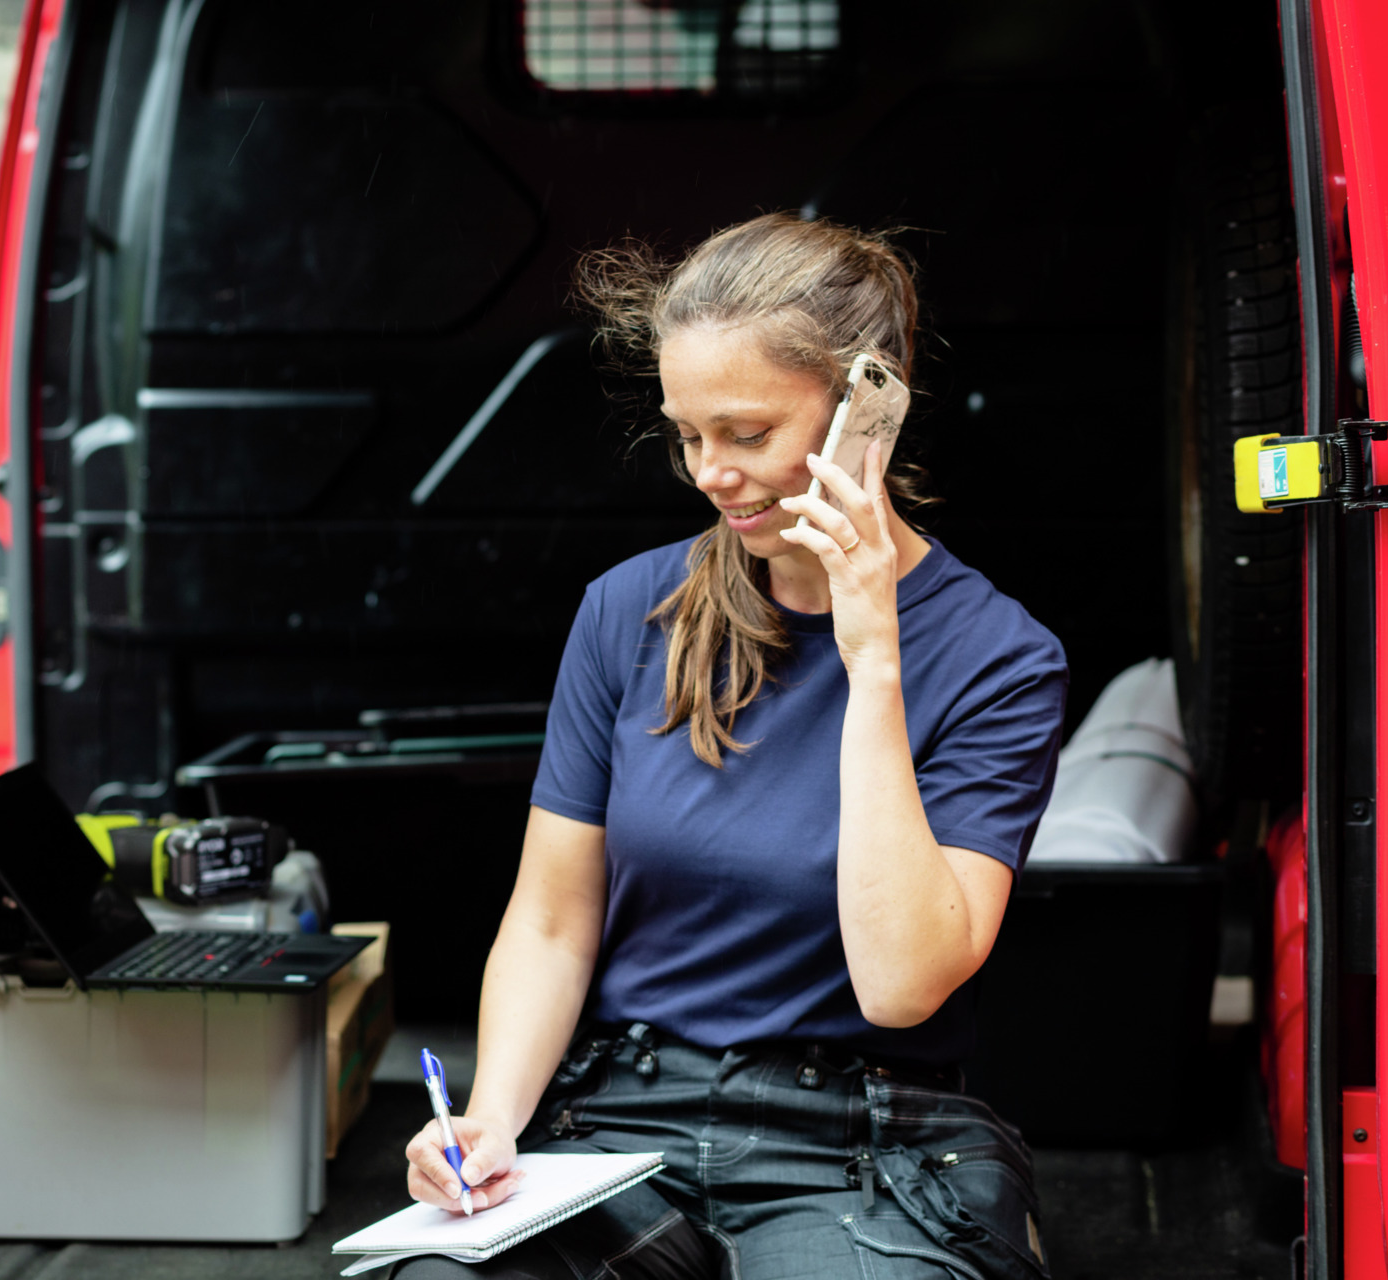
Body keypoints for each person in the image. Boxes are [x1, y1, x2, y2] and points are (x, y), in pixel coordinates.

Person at [397, 212, 1068, 1280]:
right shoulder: (629, 611)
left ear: (868, 408)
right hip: (626, 1118)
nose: (709, 471)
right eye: (687, 433)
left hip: (864, 1141)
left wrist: (871, 660)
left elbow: (902, 984)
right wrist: (490, 1118)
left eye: (747, 434)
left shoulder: (1000, 656)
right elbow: (553, 919)